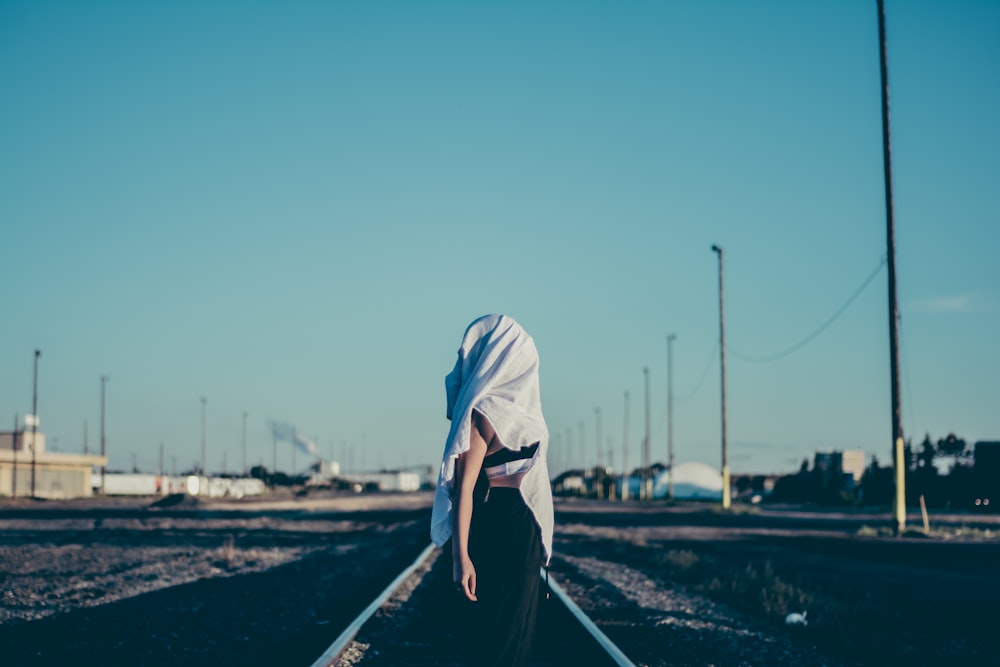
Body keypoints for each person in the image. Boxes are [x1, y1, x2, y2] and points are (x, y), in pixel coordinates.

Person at [431, 314, 554, 667]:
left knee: (512, 630)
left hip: (512, 524)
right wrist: (461, 557)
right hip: (508, 524)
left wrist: (461, 555)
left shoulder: (513, 411)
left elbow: (472, 488)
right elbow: (465, 488)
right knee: (502, 631)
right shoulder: (490, 412)